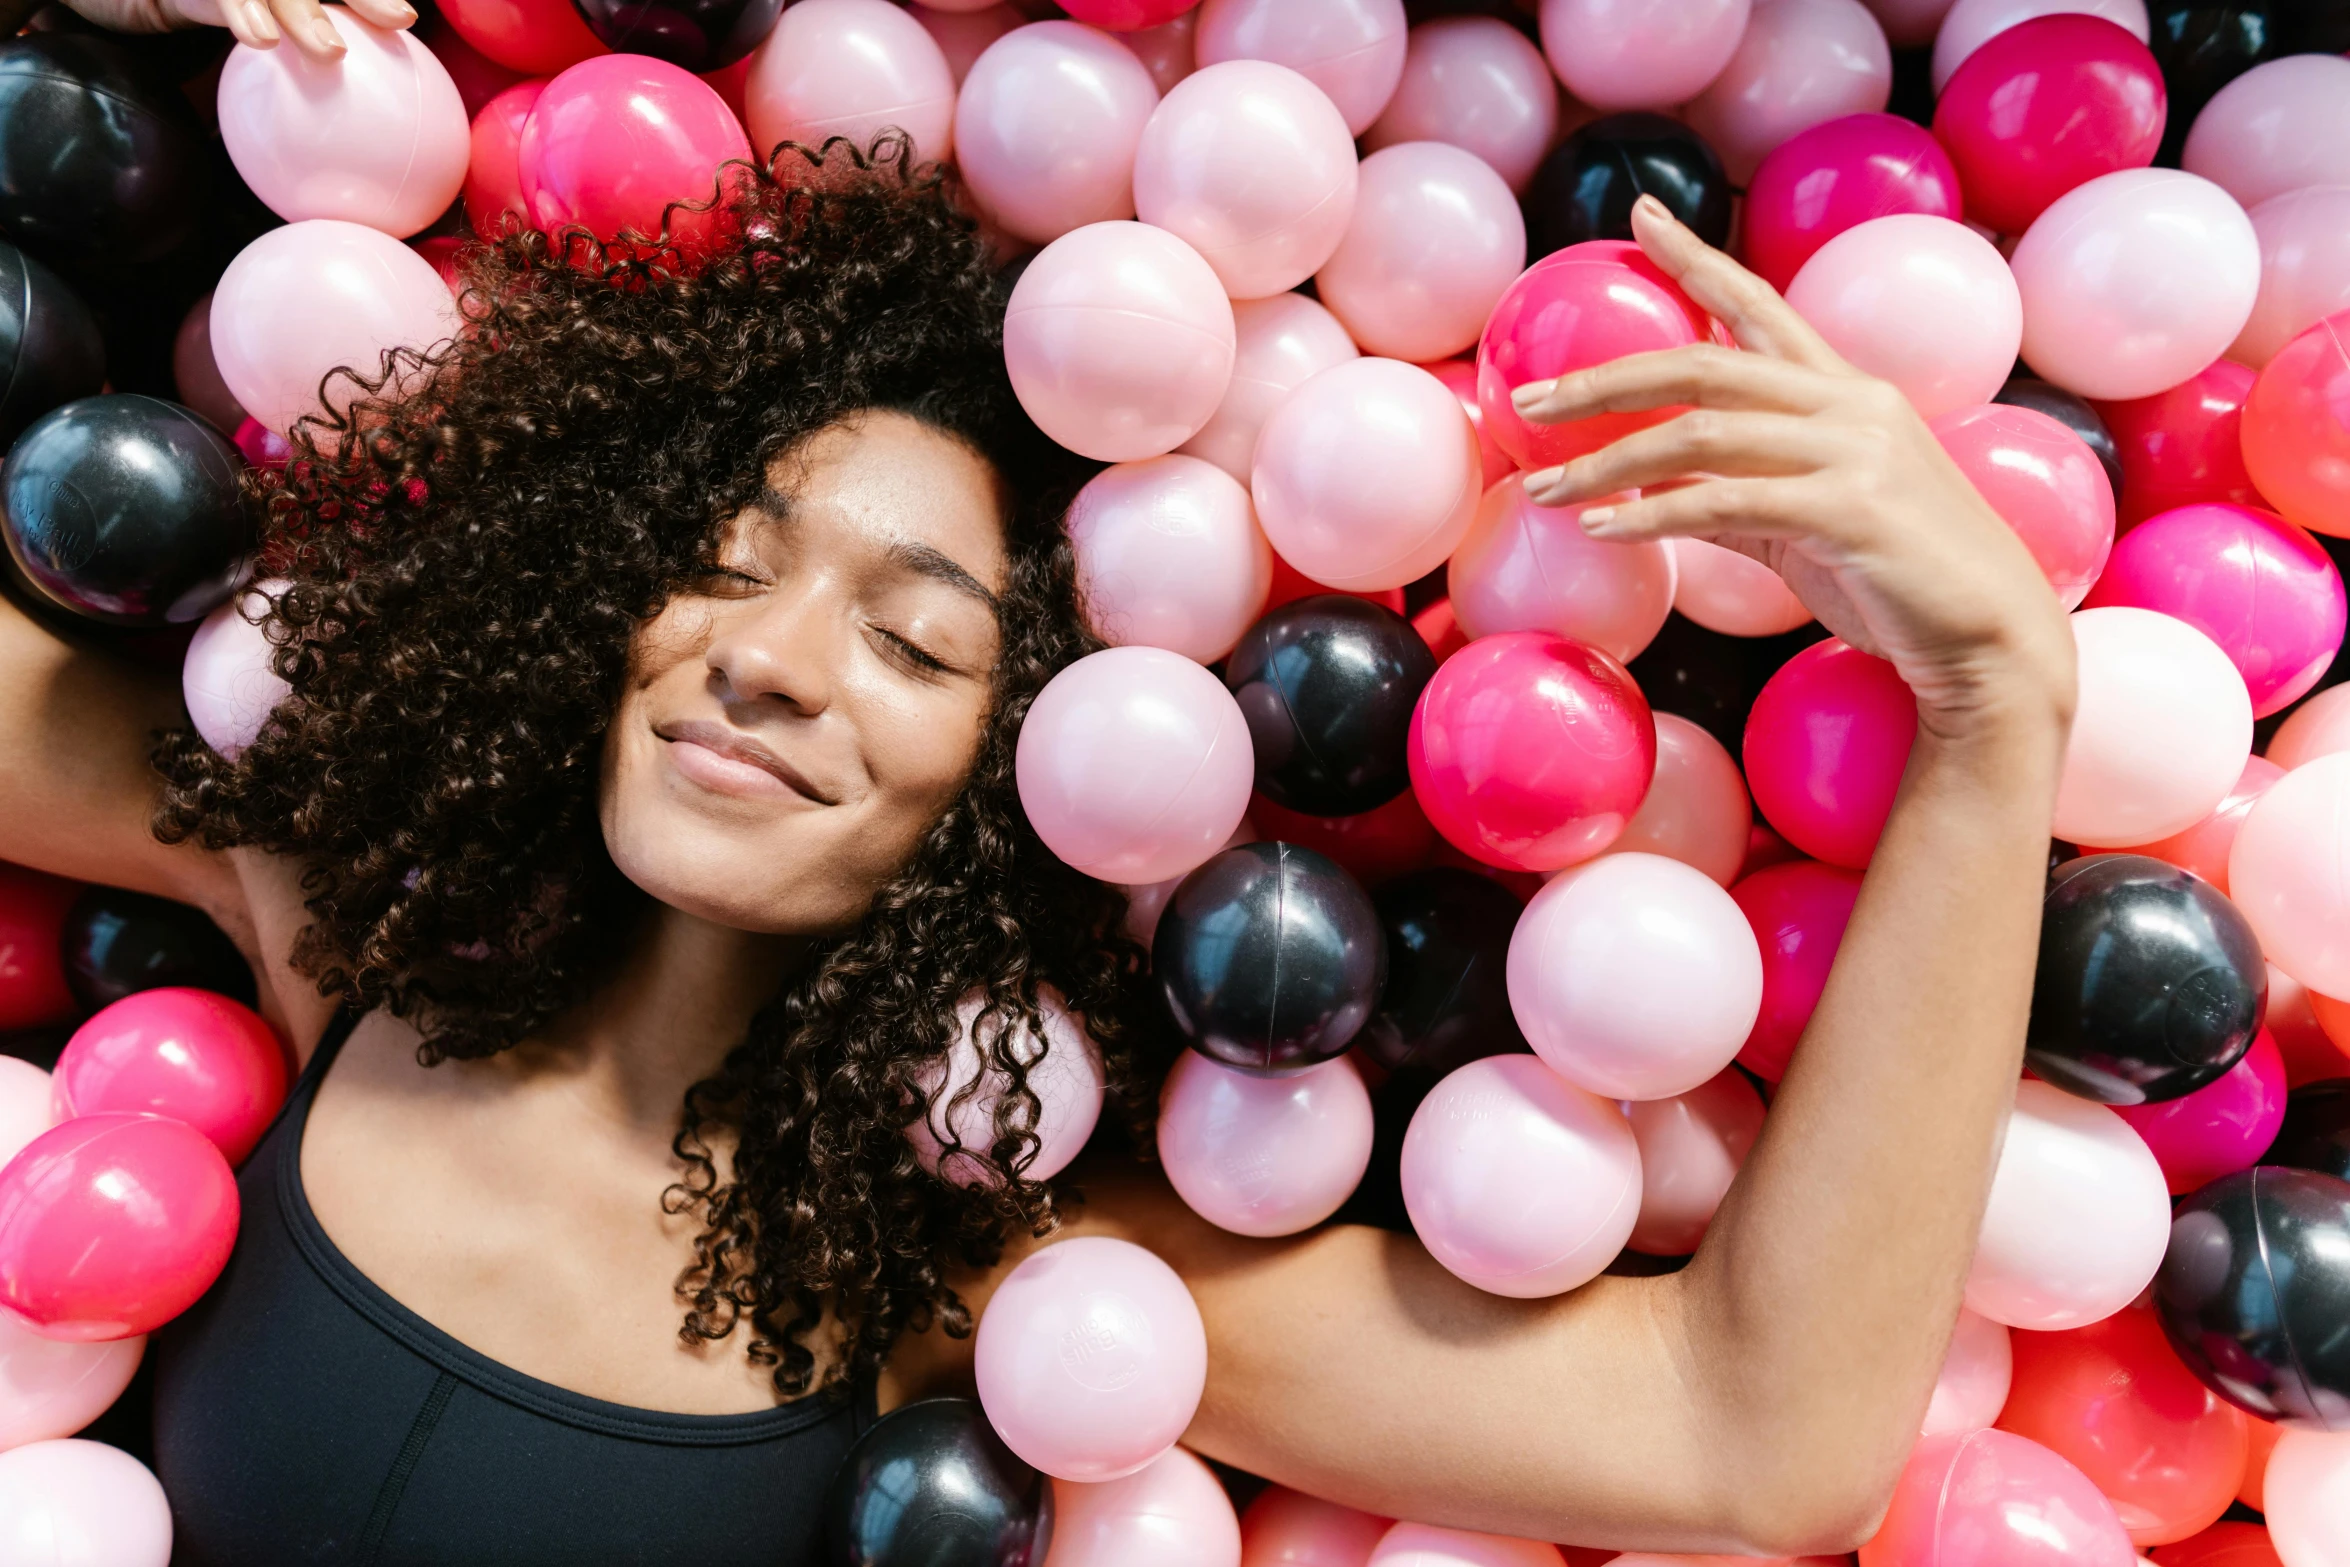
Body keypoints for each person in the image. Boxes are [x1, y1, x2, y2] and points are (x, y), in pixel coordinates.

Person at [0, 95, 2074, 1567]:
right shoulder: (346, 944)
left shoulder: (993, 1288)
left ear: (1038, 781)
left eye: (911, 643)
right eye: (722, 564)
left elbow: (1751, 1439)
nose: (774, 661)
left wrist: (1997, 701)